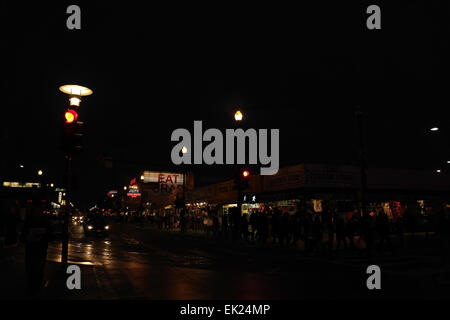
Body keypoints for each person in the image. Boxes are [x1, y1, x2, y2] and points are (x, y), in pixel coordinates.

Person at [20, 200, 54, 296]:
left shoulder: (31, 220)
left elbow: (50, 235)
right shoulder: (44, 221)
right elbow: (51, 235)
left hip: (35, 249)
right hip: (37, 249)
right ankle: (34, 288)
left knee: (33, 269)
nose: (39, 212)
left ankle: (33, 288)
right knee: (35, 269)